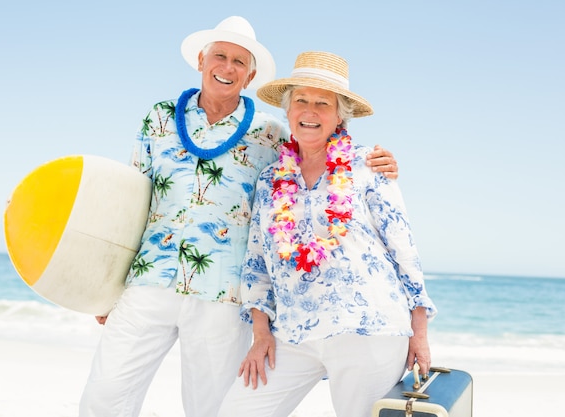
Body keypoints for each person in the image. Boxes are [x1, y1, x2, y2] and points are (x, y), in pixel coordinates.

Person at [79, 17, 399, 417]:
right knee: (105, 394)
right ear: (201, 60)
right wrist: (106, 286)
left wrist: (376, 161)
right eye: (219, 56)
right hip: (149, 280)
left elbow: (321, 160)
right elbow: (133, 199)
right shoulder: (159, 117)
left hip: (223, 296)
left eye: (238, 62)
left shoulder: (271, 134)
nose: (226, 68)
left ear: (249, 76)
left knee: (211, 408)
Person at [218, 51, 437, 417]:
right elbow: (256, 262)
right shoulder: (271, 180)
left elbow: (404, 251)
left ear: (339, 117)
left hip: (368, 329)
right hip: (292, 333)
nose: (310, 110)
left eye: (323, 103)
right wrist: (260, 334)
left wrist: (420, 334)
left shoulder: (367, 166)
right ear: (288, 112)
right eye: (301, 100)